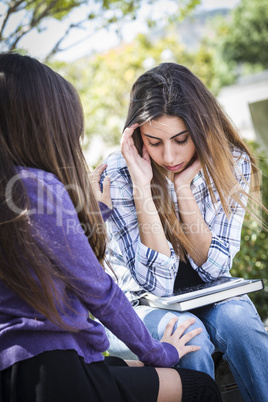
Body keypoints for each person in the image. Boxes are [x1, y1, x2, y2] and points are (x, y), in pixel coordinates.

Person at [0, 53, 223, 402]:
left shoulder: (11, 187)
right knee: (199, 388)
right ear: (41, 122)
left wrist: (97, 212)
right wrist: (158, 353)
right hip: (52, 369)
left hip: (20, 368)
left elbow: (49, 260)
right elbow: (98, 290)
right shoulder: (36, 187)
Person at [97, 62, 268, 402]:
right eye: (154, 142)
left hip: (210, 294)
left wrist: (184, 190)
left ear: (201, 129)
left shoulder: (231, 162)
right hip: (138, 307)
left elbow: (216, 269)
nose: (170, 155)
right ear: (136, 137)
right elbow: (154, 285)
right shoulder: (117, 175)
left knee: (239, 319)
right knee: (189, 335)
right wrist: (143, 189)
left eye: (181, 140)